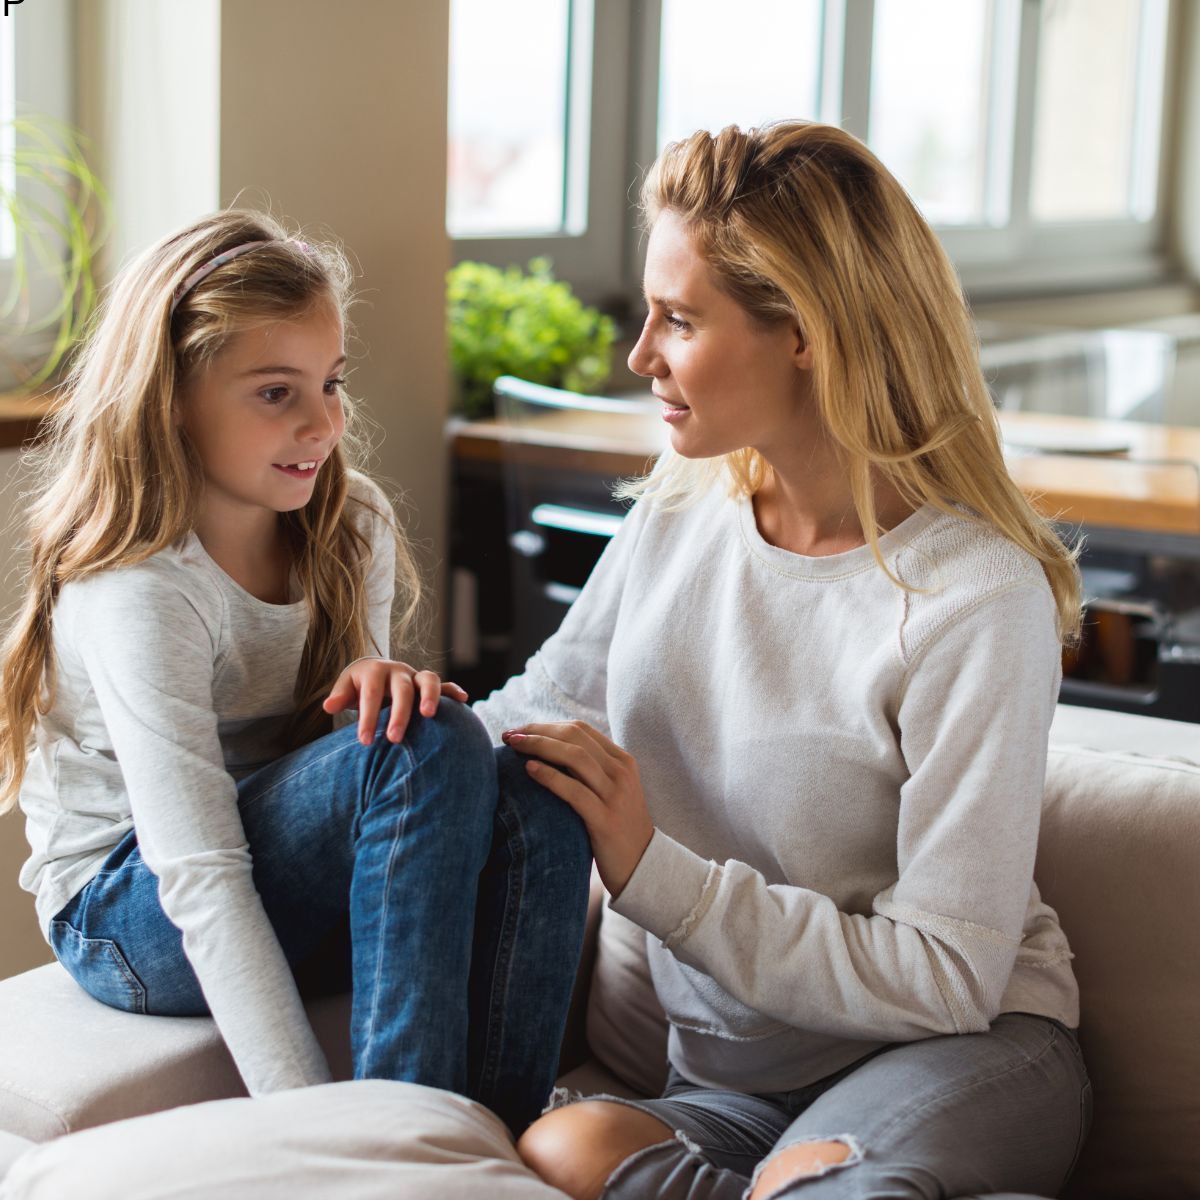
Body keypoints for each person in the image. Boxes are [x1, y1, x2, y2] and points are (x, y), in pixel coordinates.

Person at [472, 122, 1092, 1198]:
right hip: (732, 1081)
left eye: (678, 319)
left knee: (810, 1184)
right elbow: (541, 710)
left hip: (953, 1055)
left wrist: (654, 871)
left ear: (803, 330)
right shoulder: (679, 509)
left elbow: (948, 978)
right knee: (560, 1149)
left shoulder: (975, 598)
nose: (640, 356)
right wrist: (405, 727)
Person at [0, 210, 590, 1137]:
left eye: (330, 383)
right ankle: (384, 1157)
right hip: (128, 914)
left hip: (279, 871)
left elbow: (352, 784)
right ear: (171, 399)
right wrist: (306, 1130)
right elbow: (198, 870)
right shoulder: (142, 590)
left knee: (534, 788)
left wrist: (371, 679)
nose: (323, 423)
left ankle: (489, 1147)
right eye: (276, 393)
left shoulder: (347, 523)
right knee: (424, 743)